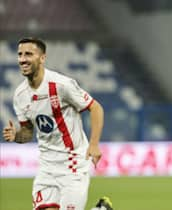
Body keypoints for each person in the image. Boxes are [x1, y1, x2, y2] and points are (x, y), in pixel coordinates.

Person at [2, 37, 104, 210]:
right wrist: (17, 136)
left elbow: (95, 108)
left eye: (28, 54)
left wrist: (94, 144)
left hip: (73, 163)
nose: (22, 59)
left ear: (42, 58)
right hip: (46, 166)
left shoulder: (61, 85)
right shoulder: (20, 95)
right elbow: (27, 132)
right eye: (20, 54)